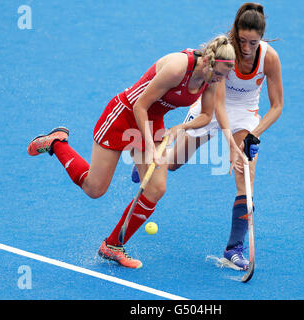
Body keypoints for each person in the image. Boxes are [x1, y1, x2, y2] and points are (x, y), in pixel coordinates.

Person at [27, 34, 245, 269]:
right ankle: (56, 142)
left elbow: (205, 115)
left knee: (156, 188)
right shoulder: (177, 68)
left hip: (152, 121)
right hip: (123, 115)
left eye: (225, 76)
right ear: (207, 62)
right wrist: (150, 146)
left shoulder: (212, 79)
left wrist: (178, 128)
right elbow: (140, 104)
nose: (220, 81)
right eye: (219, 75)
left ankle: (112, 245)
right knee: (94, 188)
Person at [132, 2, 283, 270]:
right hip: (211, 107)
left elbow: (277, 106)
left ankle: (233, 248)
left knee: (245, 179)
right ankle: (143, 163)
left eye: (253, 42)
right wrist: (230, 145)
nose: (246, 49)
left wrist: (251, 137)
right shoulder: (226, 53)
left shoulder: (269, 58)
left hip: (247, 115)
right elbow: (219, 108)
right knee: (174, 162)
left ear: (262, 38)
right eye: (242, 40)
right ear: (235, 33)